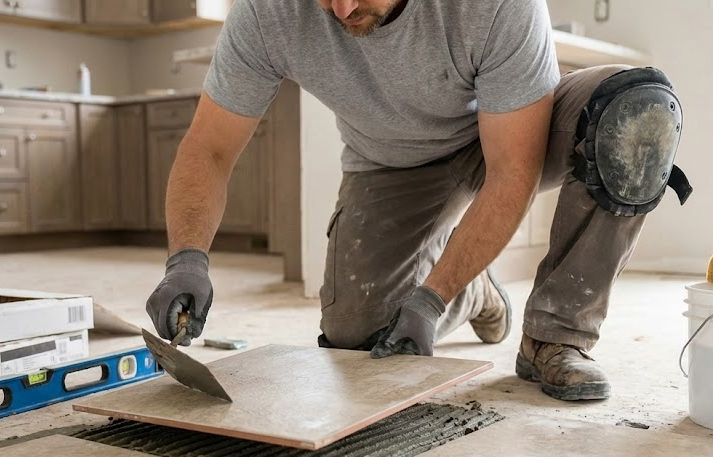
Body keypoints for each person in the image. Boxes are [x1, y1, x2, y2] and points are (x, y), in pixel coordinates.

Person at [146, 0, 692, 402]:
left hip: (513, 133)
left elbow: (511, 172)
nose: (342, 8)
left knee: (635, 112)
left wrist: (429, 301)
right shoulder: (266, 12)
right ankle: (475, 290)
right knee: (358, 338)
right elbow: (209, 148)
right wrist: (186, 259)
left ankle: (556, 335)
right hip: (393, 161)